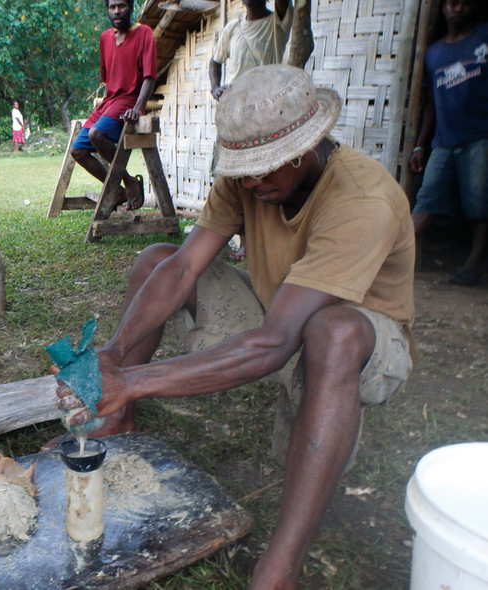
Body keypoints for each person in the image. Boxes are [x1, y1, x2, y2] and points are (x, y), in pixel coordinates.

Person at [56, 65, 415, 589]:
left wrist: (134, 379)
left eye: (265, 169)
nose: (250, 181)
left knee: (331, 332)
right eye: (243, 168)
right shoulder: (246, 179)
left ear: (306, 148)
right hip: (282, 314)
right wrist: (112, 357)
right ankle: (114, 420)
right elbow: (182, 269)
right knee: (156, 258)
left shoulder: (362, 197)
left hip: (363, 342)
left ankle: (282, 566)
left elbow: (273, 345)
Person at [408, 0, 488, 286]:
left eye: (465, 4)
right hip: (443, 140)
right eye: (452, 3)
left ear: (474, 9)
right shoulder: (434, 53)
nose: (457, 9)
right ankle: (389, 254)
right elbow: (431, 103)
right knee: (427, 198)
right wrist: (420, 145)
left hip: (480, 135)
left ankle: (472, 264)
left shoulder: (484, 37)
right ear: (442, 9)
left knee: (479, 203)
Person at [209, 0, 293, 262]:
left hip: (264, 112)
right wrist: (216, 88)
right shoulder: (232, 28)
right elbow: (215, 62)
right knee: (228, 174)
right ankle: (232, 237)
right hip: (234, 113)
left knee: (259, 175)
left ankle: (255, 241)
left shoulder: (277, 22)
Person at [69, 0, 157, 211]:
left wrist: (138, 107)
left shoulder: (144, 33)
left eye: (122, 6)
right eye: (112, 7)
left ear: (131, 6)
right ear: (107, 9)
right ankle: (119, 190)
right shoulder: (105, 38)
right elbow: (109, 79)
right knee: (78, 150)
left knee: (96, 135)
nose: (117, 11)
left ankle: (129, 181)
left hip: (129, 102)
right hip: (109, 102)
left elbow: (149, 77)